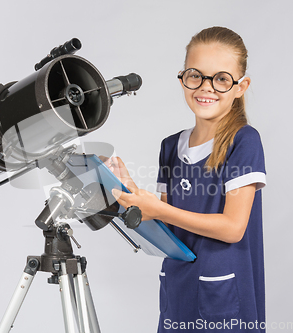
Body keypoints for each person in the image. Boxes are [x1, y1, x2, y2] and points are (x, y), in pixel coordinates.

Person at [106, 27, 266, 332]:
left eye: (221, 79)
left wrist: (157, 209)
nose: (206, 88)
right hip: (178, 292)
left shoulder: (244, 142)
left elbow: (233, 229)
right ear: (182, 78)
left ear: (240, 86)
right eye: (196, 75)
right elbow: (166, 232)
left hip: (222, 296)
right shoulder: (170, 146)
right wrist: (129, 190)